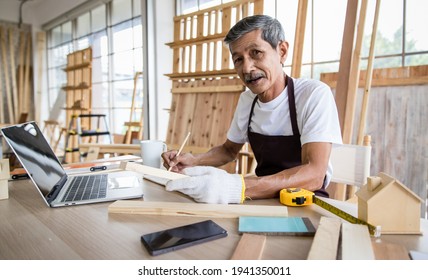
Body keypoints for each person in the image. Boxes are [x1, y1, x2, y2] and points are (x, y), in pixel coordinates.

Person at [162, 15, 342, 204]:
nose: (247, 68)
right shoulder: (248, 100)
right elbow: (228, 151)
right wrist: (192, 160)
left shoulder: (313, 95)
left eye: (256, 53)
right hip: (261, 197)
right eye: (238, 59)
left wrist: (238, 186)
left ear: (281, 51)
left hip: (303, 201)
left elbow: (314, 175)